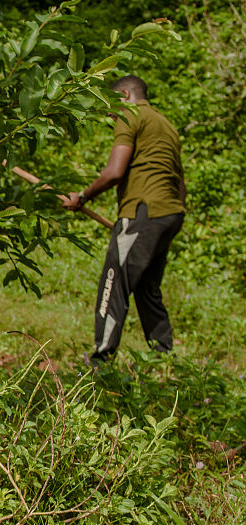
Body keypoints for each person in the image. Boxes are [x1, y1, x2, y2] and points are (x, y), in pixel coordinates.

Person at [62, 74, 186, 364]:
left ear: (125, 95)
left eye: (110, 107)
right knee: (146, 287)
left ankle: (100, 361)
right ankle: (163, 359)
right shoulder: (165, 124)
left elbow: (115, 171)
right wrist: (167, 218)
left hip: (141, 211)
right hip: (169, 214)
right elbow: (179, 181)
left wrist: (82, 196)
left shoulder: (130, 115)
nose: (110, 114)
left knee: (113, 281)